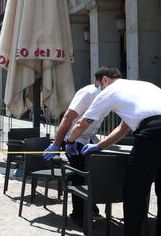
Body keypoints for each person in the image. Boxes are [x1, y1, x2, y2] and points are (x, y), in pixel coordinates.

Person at [66, 67, 161, 236]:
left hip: (155, 131)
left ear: (104, 80)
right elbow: (124, 127)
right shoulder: (140, 86)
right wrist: (98, 146)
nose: (96, 90)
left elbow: (83, 123)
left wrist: (70, 141)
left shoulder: (108, 91)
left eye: (97, 86)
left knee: (134, 189)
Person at [43, 68, 124, 226]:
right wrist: (56, 144)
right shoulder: (88, 93)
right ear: (102, 81)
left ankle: (90, 204)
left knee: (95, 172)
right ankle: (78, 214)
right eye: (96, 84)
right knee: (79, 174)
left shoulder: (112, 94)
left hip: (88, 138)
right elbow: (68, 118)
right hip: (73, 138)